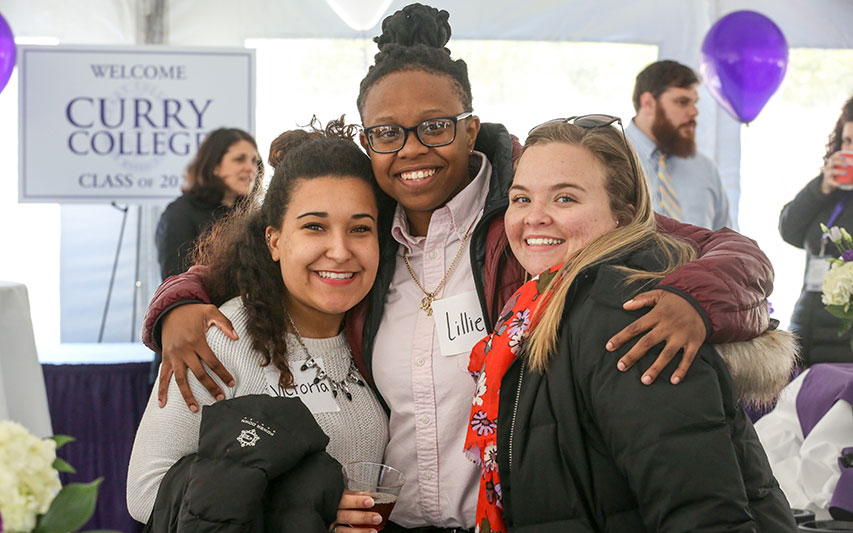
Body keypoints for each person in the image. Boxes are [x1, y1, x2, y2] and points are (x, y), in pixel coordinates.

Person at [141, 5, 775, 531]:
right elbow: (262, 259)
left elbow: (731, 251)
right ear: (369, 141)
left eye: (436, 126)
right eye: (387, 132)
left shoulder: (529, 216)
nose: (412, 149)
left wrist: (693, 300)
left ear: (471, 127)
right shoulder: (366, 227)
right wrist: (179, 304)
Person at [465, 117, 796, 532]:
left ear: (623, 214)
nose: (535, 217)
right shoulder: (539, 305)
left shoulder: (628, 312)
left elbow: (700, 512)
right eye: (521, 199)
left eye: (565, 199)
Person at [127, 123, 390, 524]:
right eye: (314, 226)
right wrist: (306, 511)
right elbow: (147, 492)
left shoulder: (376, 332)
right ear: (274, 240)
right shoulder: (222, 336)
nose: (340, 251)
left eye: (359, 229)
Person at [779, 95, 853, 366]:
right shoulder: (828, 192)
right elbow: (788, 230)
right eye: (846, 141)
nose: (849, 149)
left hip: (844, 342)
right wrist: (820, 187)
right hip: (805, 327)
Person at [625, 60, 734, 230]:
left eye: (694, 102)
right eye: (682, 102)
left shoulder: (704, 169)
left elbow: (729, 243)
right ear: (648, 103)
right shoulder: (606, 160)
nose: (694, 112)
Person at [155, 127, 263, 280]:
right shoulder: (179, 214)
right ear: (214, 166)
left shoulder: (252, 216)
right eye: (239, 159)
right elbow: (176, 284)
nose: (251, 169)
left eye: (254, 161)